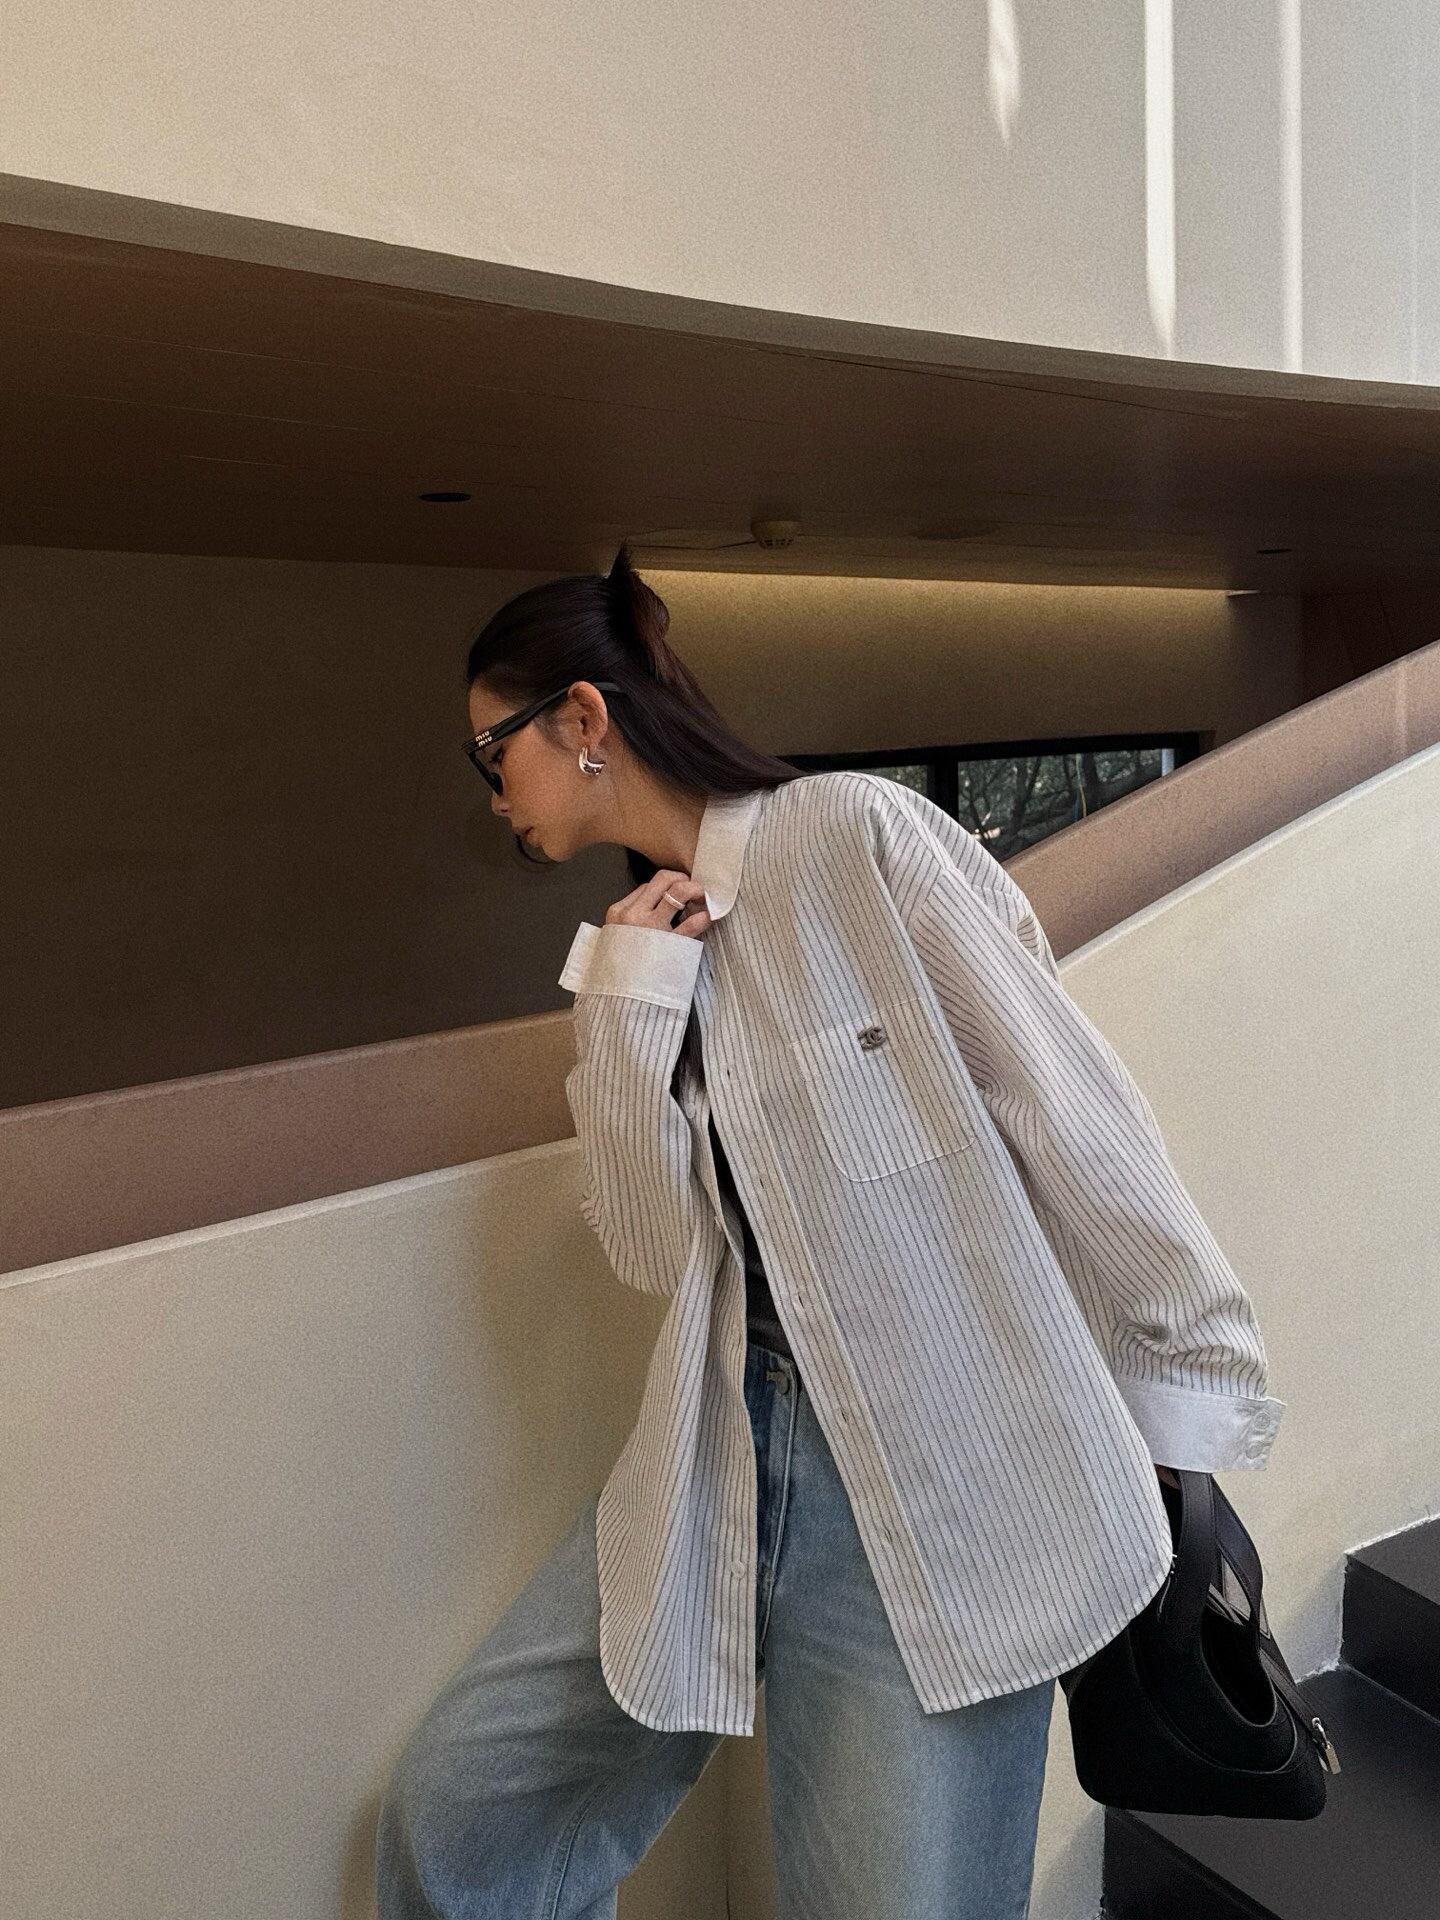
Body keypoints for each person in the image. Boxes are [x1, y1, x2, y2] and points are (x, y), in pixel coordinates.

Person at [375, 544, 1285, 1919]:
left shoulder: (853, 837)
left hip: (939, 1469)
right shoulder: (641, 950)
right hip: (720, 1450)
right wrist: (626, 1012)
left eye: (491, 753)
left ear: (583, 719)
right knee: (461, 1807)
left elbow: (1071, 1111)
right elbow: (650, 1248)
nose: (493, 794)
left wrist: (1185, 1414)